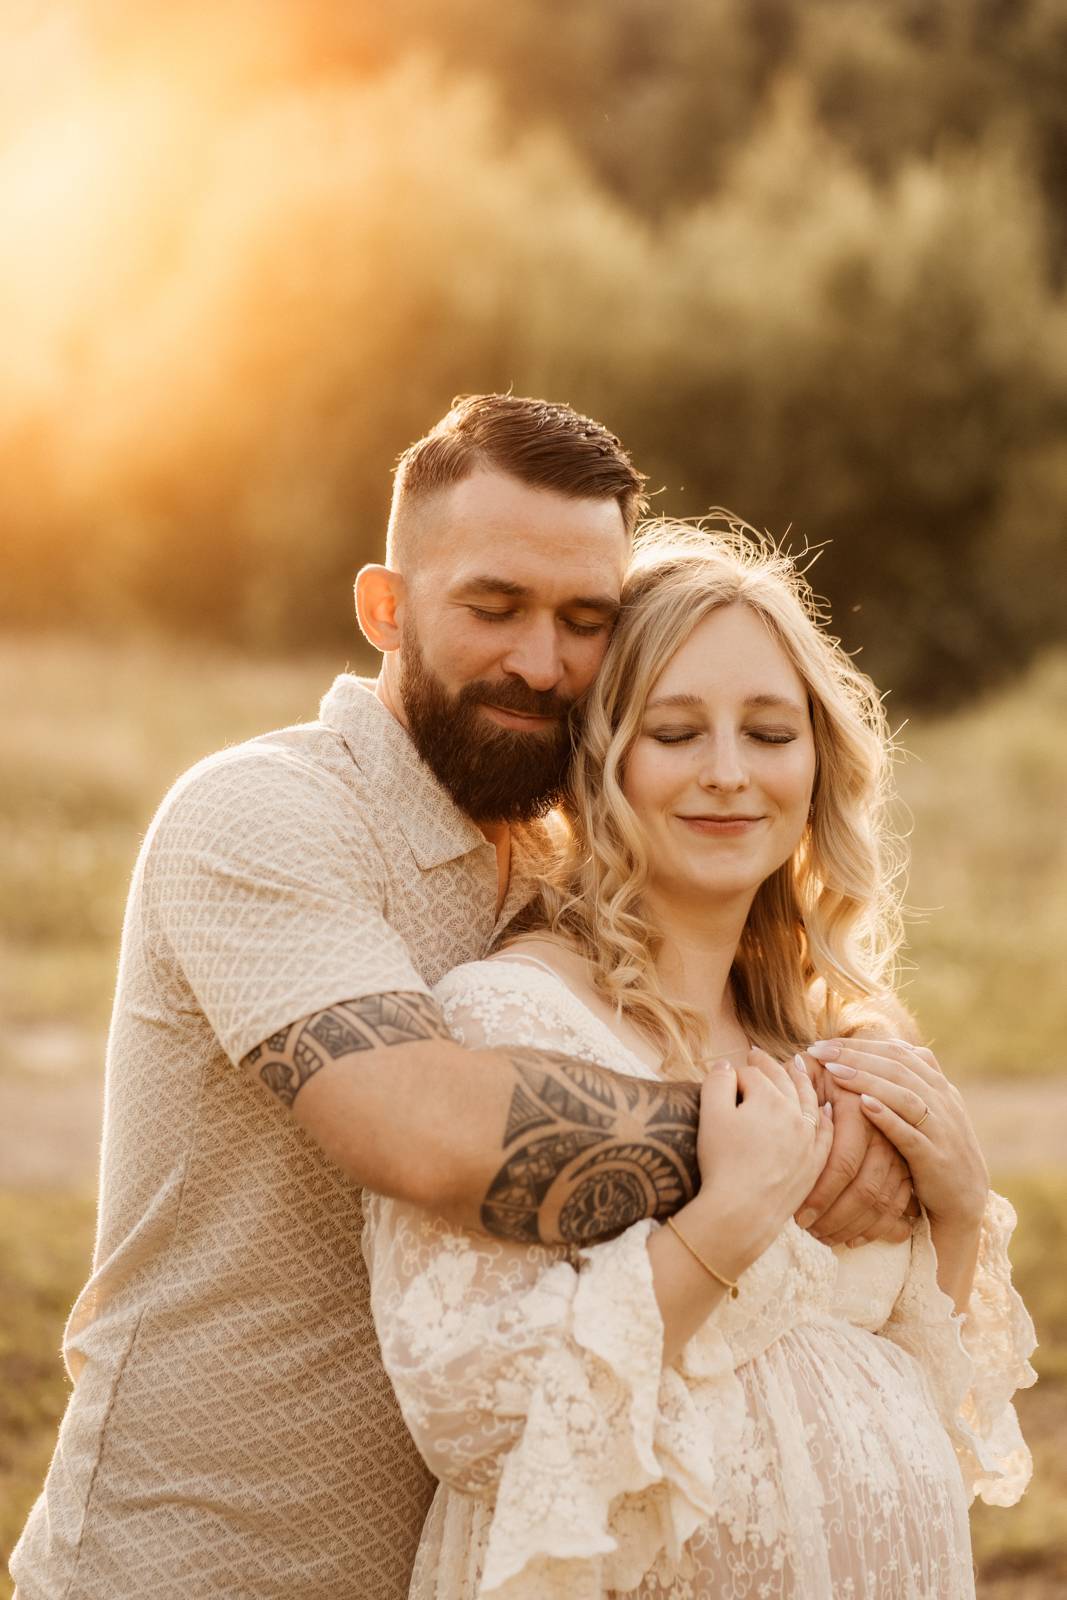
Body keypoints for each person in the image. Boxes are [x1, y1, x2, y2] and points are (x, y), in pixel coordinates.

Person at [11, 399, 911, 1600]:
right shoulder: (265, 816)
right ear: (385, 606)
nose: (540, 662)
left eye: (584, 620)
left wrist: (881, 1106)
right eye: (493, 607)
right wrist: (782, 1141)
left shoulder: (559, 864)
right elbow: (420, 1128)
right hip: (189, 1560)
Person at [363, 521, 1036, 1600]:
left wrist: (954, 1210)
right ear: (602, 759)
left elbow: (910, 1394)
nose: (728, 774)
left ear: (816, 762)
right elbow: (478, 1417)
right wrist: (726, 1222)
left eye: (768, 732)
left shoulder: (816, 1034)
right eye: (675, 732)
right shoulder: (515, 1020)